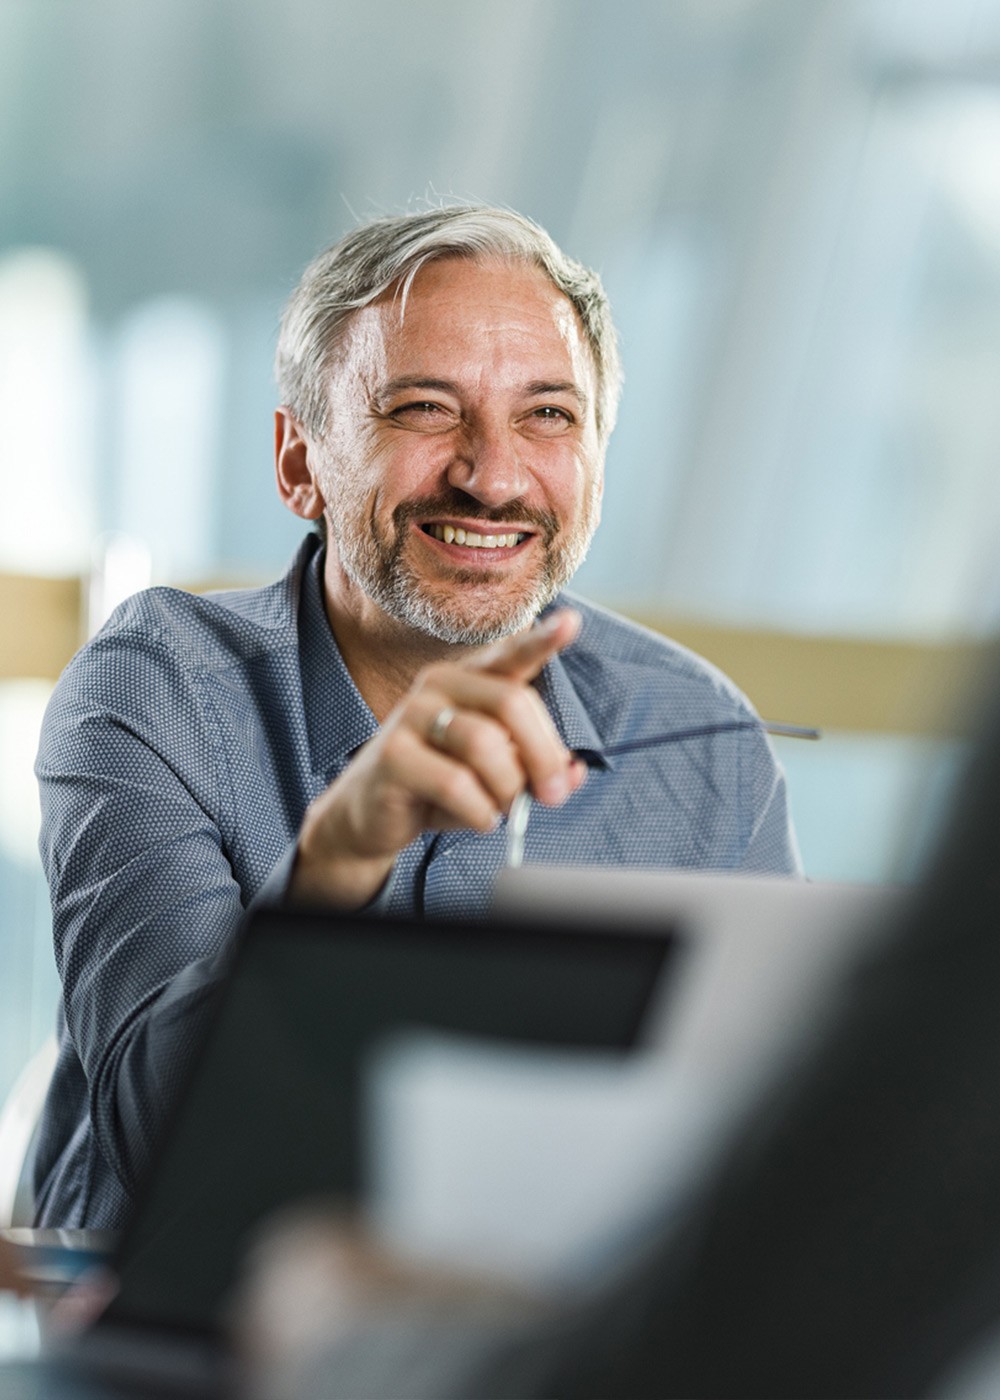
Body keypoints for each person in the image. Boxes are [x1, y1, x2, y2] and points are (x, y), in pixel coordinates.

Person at [32, 204, 799, 1230]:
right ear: (298, 460)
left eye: (548, 415)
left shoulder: (702, 739)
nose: (490, 475)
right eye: (425, 408)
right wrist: (333, 869)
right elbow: (163, 1138)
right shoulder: (155, 691)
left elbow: (763, 1154)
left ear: (597, 469)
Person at [239, 673, 1000, 1400]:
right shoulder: (172, 683)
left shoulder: (710, 737)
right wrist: (330, 869)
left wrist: (364, 1348)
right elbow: (137, 1116)